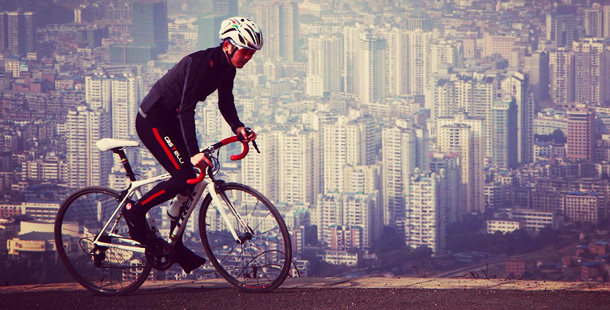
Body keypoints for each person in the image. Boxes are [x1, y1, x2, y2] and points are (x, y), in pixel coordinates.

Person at [122, 17, 262, 273]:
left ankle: (173, 240)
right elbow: (186, 110)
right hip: (153, 119)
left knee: (195, 175)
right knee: (184, 175)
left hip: (172, 118)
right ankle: (135, 209)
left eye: (251, 54)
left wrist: (238, 127)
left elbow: (225, 102)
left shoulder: (227, 68)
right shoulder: (201, 64)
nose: (248, 58)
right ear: (229, 45)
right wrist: (194, 152)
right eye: (245, 51)